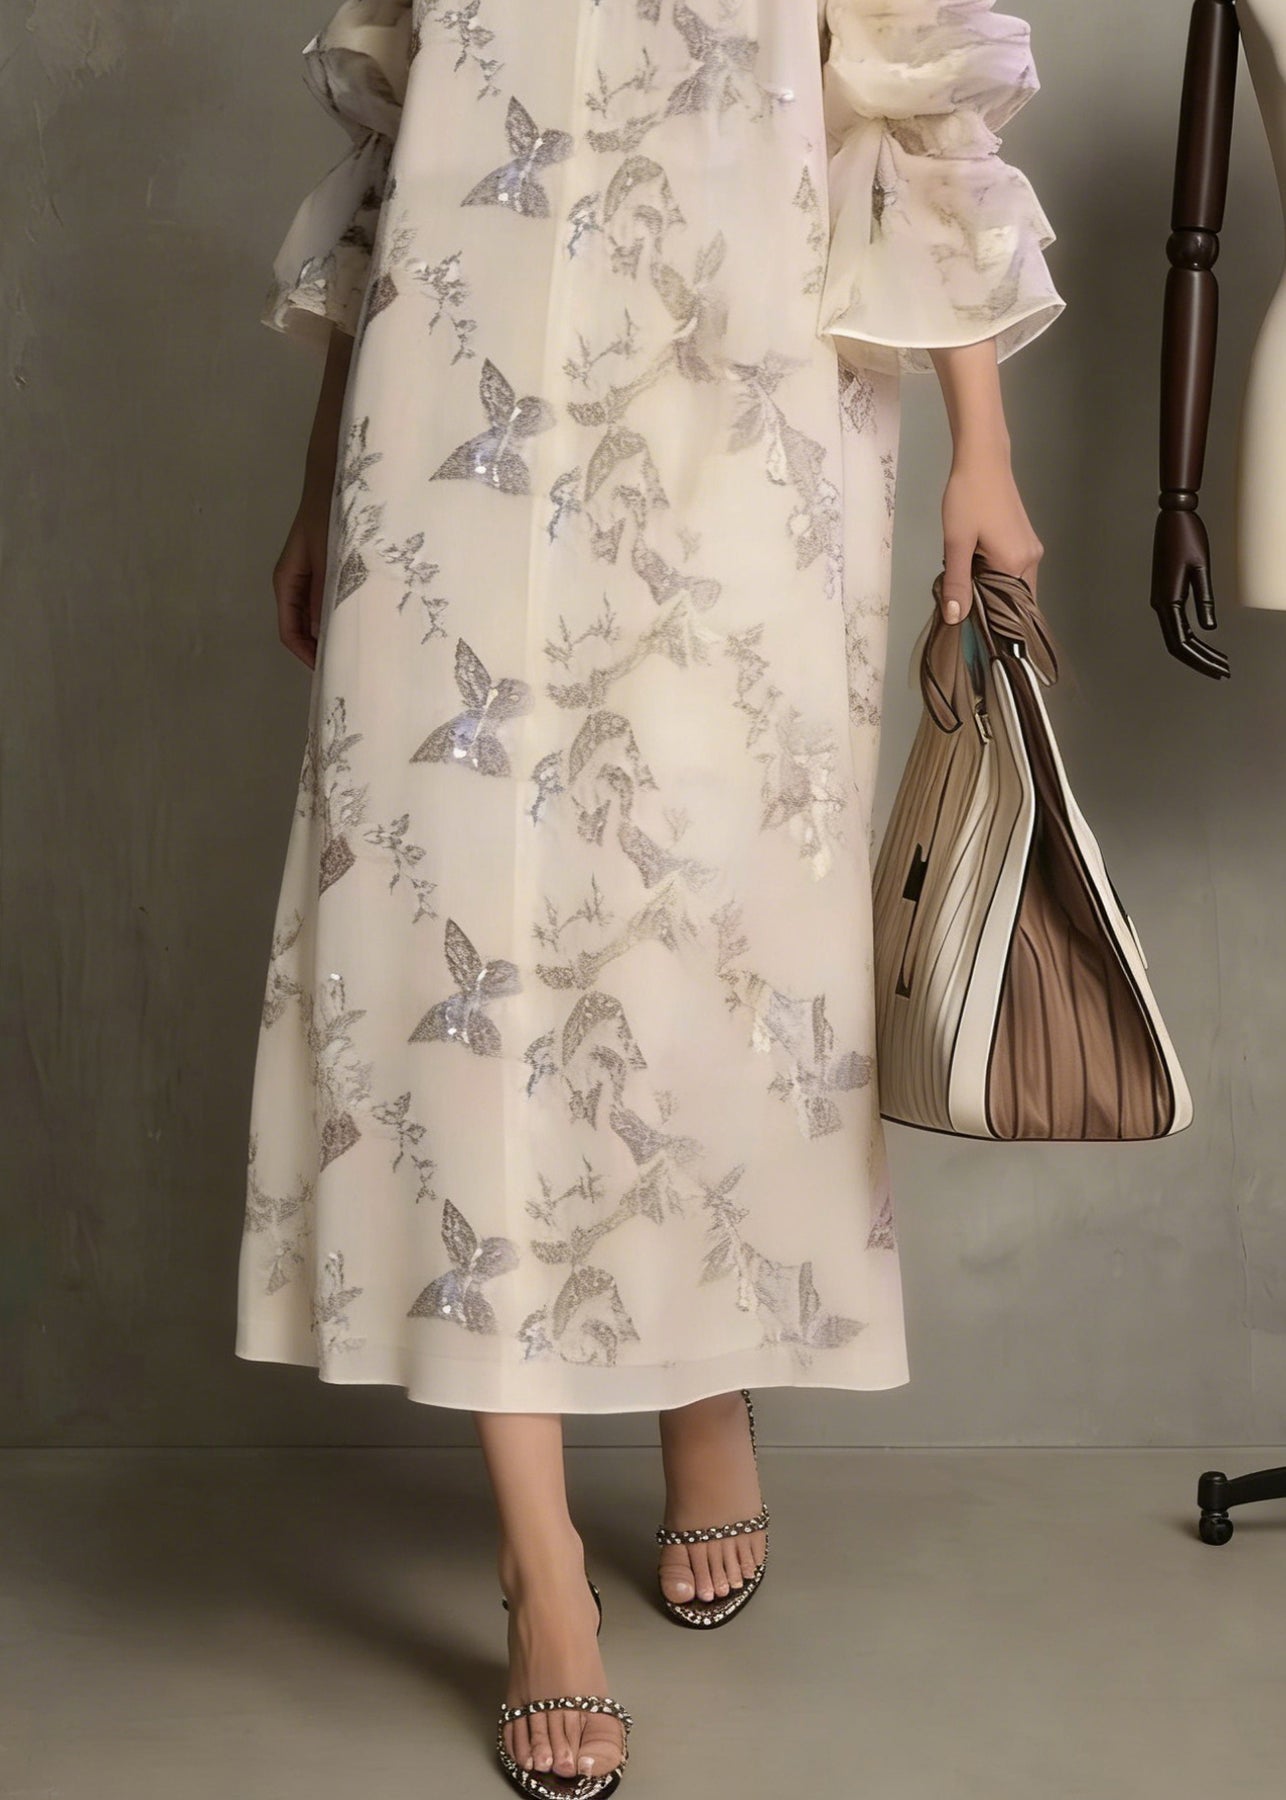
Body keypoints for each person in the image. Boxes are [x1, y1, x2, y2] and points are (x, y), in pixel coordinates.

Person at [238, 3, 1064, 1793]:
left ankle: (705, 1375)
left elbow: (917, 109)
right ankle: (540, 1568)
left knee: (706, 932)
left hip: (738, 409)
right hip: (446, 432)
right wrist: (321, 477)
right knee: (452, 959)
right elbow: (393, 149)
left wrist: (980, 450)